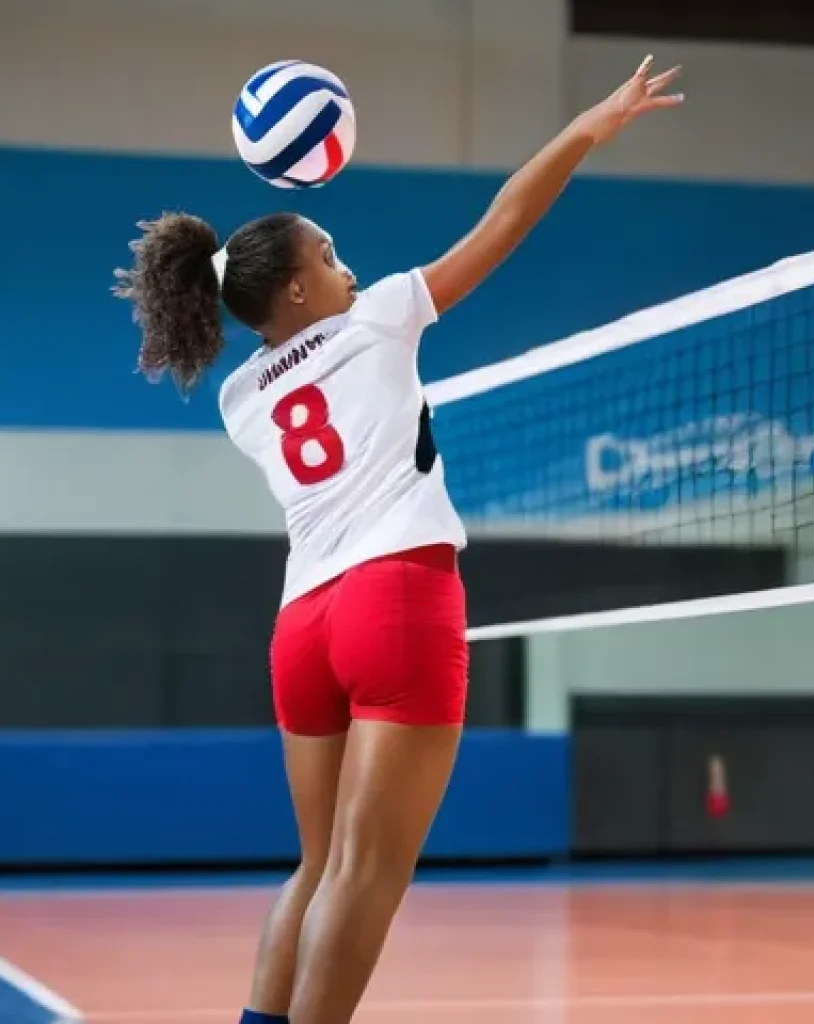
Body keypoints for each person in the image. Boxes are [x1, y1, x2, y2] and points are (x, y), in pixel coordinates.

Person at [114, 55, 682, 1024]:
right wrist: (588, 128)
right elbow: (504, 221)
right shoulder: (379, 321)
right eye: (330, 257)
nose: (351, 269)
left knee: (321, 861)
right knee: (370, 873)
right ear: (293, 291)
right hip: (397, 598)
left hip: (303, 626)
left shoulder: (241, 398)